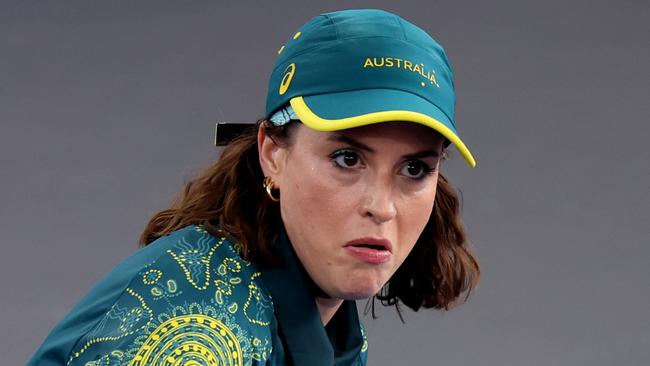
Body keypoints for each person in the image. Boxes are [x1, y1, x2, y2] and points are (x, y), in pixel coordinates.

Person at [28, 8, 480, 366]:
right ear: (272, 153)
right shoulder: (194, 330)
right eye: (347, 158)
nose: (382, 207)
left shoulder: (322, 319)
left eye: (415, 170)